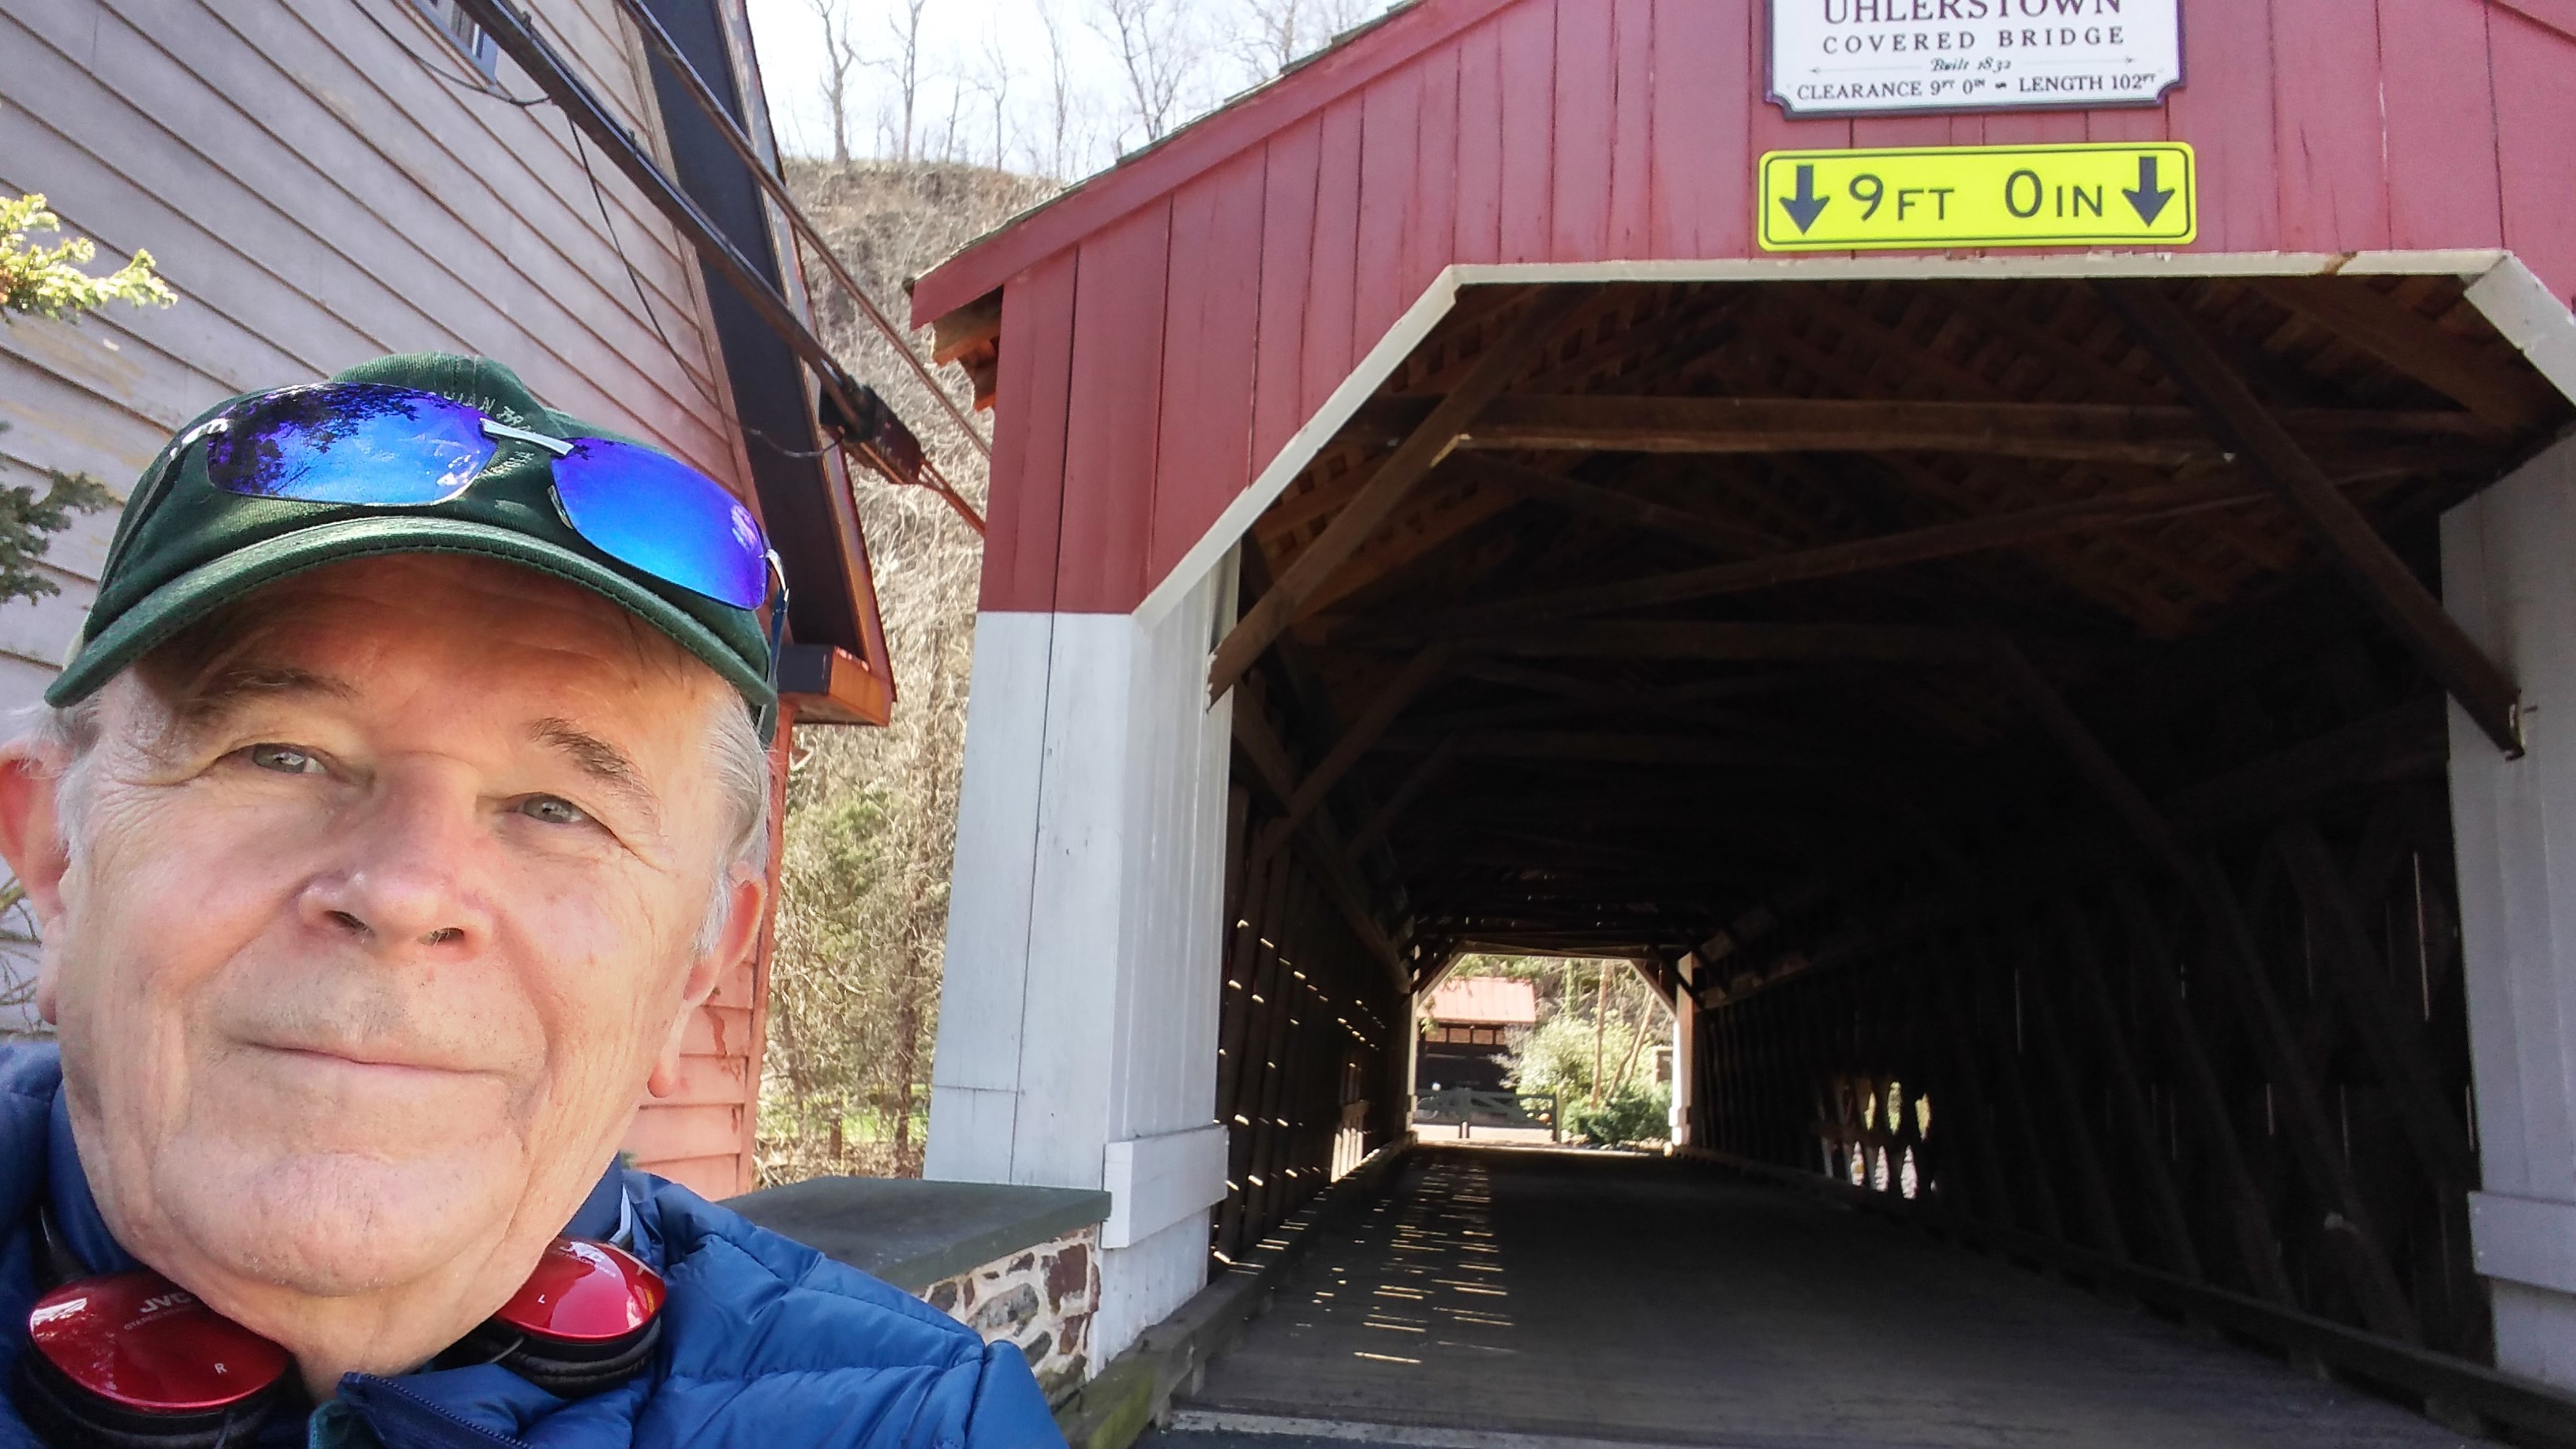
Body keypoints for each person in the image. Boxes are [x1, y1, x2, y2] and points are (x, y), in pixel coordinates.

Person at [0, 354, 1062, 1447]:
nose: (406, 893)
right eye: (279, 754)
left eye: (557, 809)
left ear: (695, 969)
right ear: (54, 858)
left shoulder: (924, 1427)